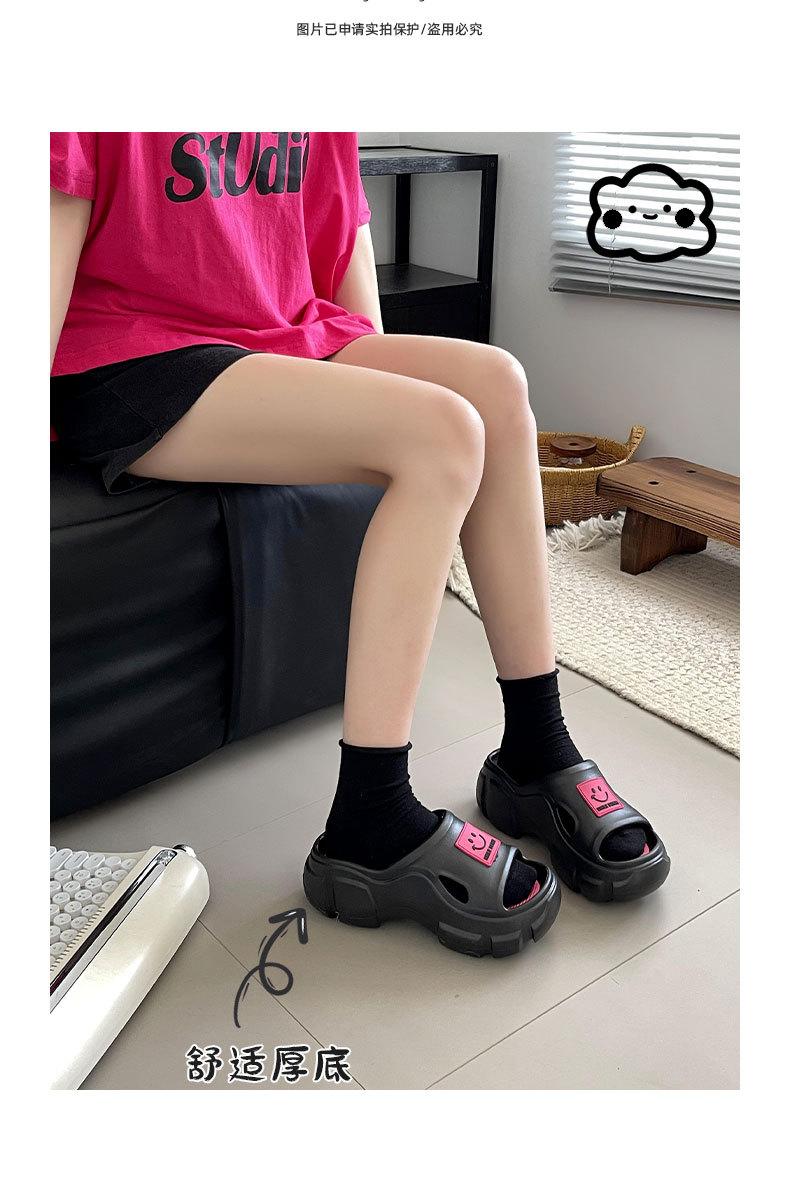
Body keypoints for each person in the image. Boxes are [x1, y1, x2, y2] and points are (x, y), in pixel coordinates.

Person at [51, 132, 669, 959]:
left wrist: (371, 415)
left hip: (279, 337)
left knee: (495, 383)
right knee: (442, 430)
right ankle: (368, 818)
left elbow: (343, 254)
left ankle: (535, 745)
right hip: (135, 358)